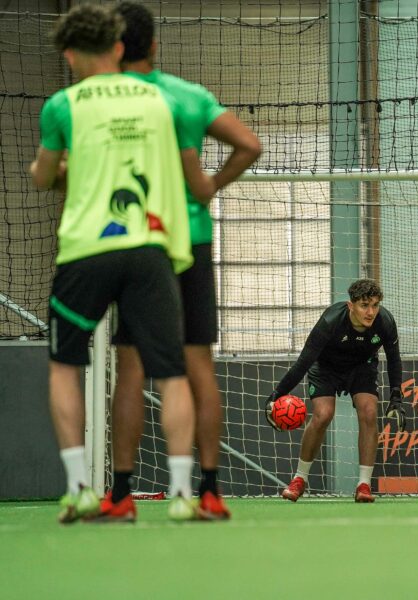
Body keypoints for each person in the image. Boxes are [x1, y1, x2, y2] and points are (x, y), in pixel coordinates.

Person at [30, 4, 216, 523]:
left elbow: (45, 177)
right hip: (150, 252)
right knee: (171, 372)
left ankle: (80, 488)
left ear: (69, 55)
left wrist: (61, 166)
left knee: (66, 366)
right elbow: (185, 168)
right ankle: (182, 495)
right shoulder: (160, 102)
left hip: (85, 252)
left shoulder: (62, 106)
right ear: (117, 47)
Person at [97, 1, 262, 522]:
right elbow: (249, 145)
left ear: (113, 48)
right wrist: (208, 188)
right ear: (155, 46)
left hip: (133, 242)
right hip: (190, 240)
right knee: (197, 366)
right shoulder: (187, 98)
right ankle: (208, 490)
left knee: (131, 366)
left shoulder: (99, 101)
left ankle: (120, 495)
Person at [265, 279, 406, 503]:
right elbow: (303, 362)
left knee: (369, 411)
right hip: (326, 368)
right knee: (323, 414)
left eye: (375, 305)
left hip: (362, 367)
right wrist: (277, 394)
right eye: (364, 305)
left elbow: (394, 360)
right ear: (351, 305)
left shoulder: (385, 322)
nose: (371, 312)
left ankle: (364, 485)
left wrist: (397, 395)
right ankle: (299, 479)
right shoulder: (331, 320)